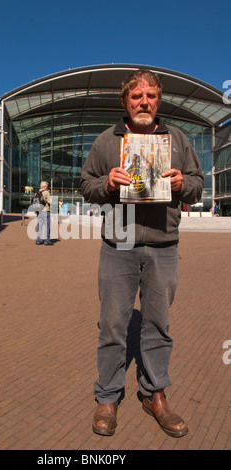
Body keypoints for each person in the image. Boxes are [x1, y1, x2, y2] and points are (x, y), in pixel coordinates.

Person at [81, 69, 204, 438]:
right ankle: (108, 396)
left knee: (158, 325)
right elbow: (85, 186)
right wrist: (107, 183)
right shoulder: (107, 141)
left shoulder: (176, 139)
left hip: (164, 247)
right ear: (125, 101)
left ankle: (155, 394)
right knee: (113, 324)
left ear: (159, 100)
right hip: (118, 246)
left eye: (151, 95)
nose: (144, 102)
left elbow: (198, 185)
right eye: (137, 96)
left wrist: (185, 184)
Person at [36, 181, 53, 245]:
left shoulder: (37, 193)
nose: (47, 187)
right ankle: (47, 240)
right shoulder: (46, 192)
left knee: (39, 226)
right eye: (47, 186)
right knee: (47, 226)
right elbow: (49, 201)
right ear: (44, 186)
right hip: (45, 210)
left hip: (39, 211)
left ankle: (39, 240)